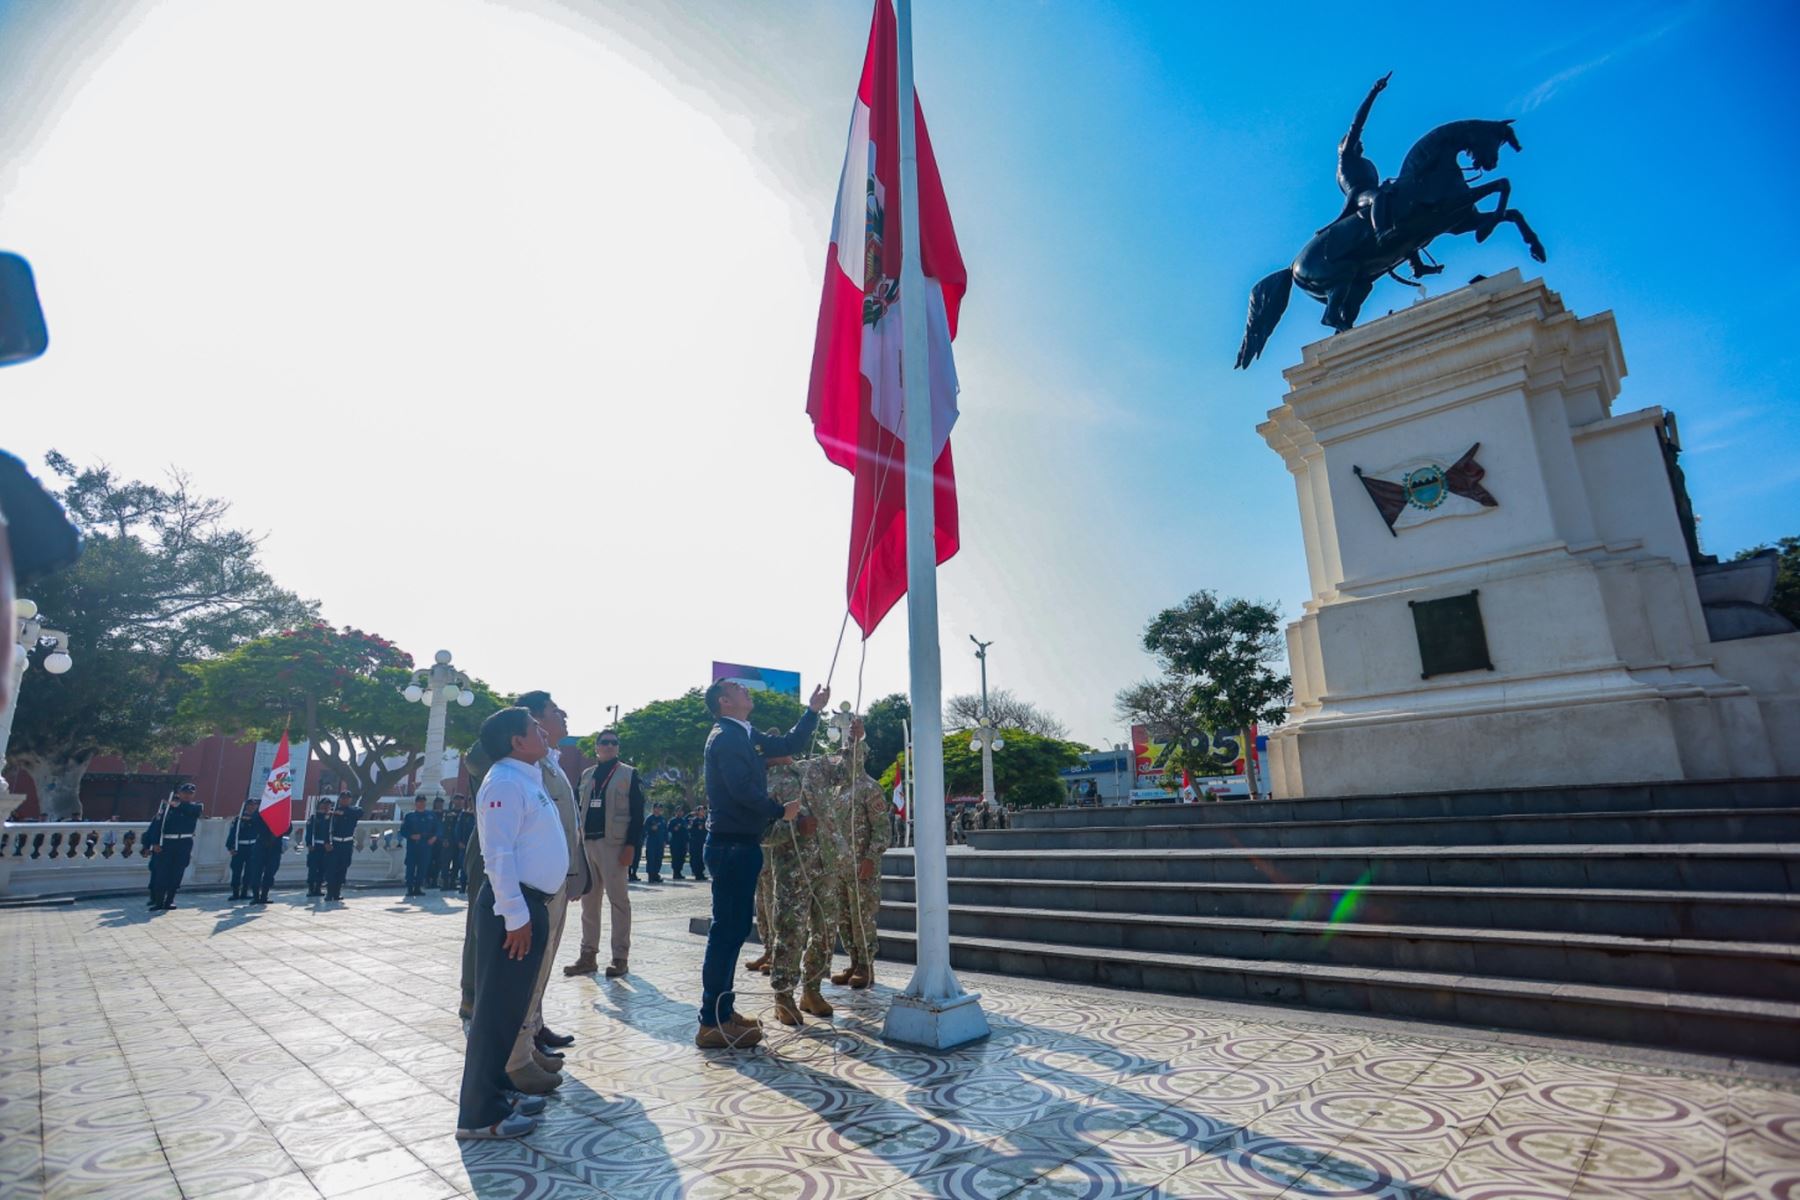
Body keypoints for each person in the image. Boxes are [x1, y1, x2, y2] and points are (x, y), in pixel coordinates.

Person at [694, 678, 826, 1049]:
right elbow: (742, 790)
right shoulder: (726, 737)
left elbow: (788, 745)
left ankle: (722, 1011)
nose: (745, 690)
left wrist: (812, 711)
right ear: (724, 701)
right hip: (731, 846)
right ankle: (712, 1021)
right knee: (726, 934)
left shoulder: (743, 733)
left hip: (740, 845)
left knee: (733, 932)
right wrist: (779, 811)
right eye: (738, 688)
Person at [455, 706, 568, 1141]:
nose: (544, 733)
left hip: (530, 904)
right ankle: (479, 1114)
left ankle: (502, 1091)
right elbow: (497, 855)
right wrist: (516, 916)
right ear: (517, 742)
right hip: (513, 909)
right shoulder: (503, 781)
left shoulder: (526, 776)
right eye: (535, 728)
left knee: (511, 1009)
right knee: (495, 1013)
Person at [503, 691, 585, 1088]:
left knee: (544, 961)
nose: (561, 715)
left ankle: (532, 1032)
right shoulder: (515, 773)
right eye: (552, 712)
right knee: (529, 967)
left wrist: (575, 872)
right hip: (533, 888)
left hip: (555, 882)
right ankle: (518, 1055)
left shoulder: (548, 763)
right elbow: (500, 848)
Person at [564, 728, 643, 980]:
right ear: (596, 747)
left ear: (618, 747)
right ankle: (588, 955)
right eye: (605, 742)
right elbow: (577, 810)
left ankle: (620, 957)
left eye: (614, 743)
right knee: (589, 903)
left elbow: (638, 814)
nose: (609, 746)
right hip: (588, 844)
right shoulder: (587, 775)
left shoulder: (628, 774)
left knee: (619, 901)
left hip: (614, 846)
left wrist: (631, 846)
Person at [830, 739, 891, 991]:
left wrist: (871, 858)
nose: (845, 759)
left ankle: (866, 965)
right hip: (840, 866)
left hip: (862, 865)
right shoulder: (838, 790)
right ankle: (854, 962)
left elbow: (882, 829)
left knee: (861, 917)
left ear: (862, 757)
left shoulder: (870, 788)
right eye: (843, 755)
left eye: (850, 754)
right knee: (844, 917)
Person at [143, 783, 203, 910]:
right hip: (167, 843)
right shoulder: (167, 809)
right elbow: (157, 826)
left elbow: (193, 811)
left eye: (190, 793)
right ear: (179, 793)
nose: (187, 795)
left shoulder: (196, 807)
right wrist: (154, 843)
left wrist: (178, 805)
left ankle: (169, 900)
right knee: (161, 873)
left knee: (177, 872)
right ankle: (158, 901)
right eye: (184, 793)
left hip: (184, 843)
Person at [324, 792, 362, 902]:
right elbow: (326, 829)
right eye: (343, 798)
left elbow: (360, 812)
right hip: (335, 843)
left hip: (347, 843)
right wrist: (326, 842)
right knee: (331, 869)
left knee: (343, 867)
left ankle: (337, 893)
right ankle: (329, 893)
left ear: (350, 800)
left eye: (347, 798)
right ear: (339, 799)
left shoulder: (353, 811)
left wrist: (343, 812)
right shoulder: (333, 813)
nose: (345, 800)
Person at [401, 795, 439, 897]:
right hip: (413, 846)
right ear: (416, 803)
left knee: (423, 868)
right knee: (410, 867)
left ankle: (418, 888)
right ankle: (410, 888)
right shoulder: (410, 816)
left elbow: (438, 829)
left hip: (426, 846)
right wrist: (411, 835)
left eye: (423, 802)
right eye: (419, 801)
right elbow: (403, 830)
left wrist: (434, 837)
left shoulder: (431, 816)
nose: (421, 804)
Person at [226, 799, 261, 900]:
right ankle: (235, 892)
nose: (252, 807)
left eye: (254, 805)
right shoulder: (238, 819)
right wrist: (230, 847)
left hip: (252, 847)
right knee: (236, 870)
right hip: (240, 847)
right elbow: (233, 833)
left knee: (250, 871)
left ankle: (245, 892)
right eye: (250, 805)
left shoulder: (258, 819)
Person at [248, 808, 285, 905]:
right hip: (261, 845)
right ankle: (255, 896)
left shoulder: (282, 810)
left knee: (271, 872)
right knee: (256, 871)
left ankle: (264, 895)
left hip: (275, 846)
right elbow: (255, 823)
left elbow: (288, 829)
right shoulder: (261, 810)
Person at [303, 797, 334, 897]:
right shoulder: (314, 818)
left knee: (323, 868)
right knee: (312, 868)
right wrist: (309, 844)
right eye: (324, 804)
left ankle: (318, 888)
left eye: (328, 805)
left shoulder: (331, 818)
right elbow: (309, 832)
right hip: (315, 846)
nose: (326, 807)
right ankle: (311, 888)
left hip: (326, 847)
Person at [445, 795, 473, 893]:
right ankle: (462, 886)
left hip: (475, 845)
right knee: (463, 866)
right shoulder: (464, 815)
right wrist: (459, 841)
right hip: (463, 845)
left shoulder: (479, 814)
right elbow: (458, 830)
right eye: (470, 801)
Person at [428, 795, 451, 888]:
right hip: (431, 841)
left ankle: (435, 880)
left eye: (441, 803)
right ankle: (428, 880)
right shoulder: (430, 814)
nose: (439, 805)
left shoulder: (446, 814)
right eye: (438, 803)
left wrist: (446, 839)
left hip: (441, 842)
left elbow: (447, 828)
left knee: (439, 862)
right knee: (429, 862)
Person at [643, 805, 667, 884]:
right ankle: (651, 876)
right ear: (653, 809)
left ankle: (656, 875)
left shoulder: (662, 819)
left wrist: (665, 841)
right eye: (657, 808)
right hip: (652, 842)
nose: (658, 809)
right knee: (651, 859)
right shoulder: (649, 818)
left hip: (660, 842)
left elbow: (665, 831)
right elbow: (644, 829)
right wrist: (651, 828)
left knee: (659, 859)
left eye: (660, 808)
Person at [687, 804, 708, 881]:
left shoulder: (706, 820)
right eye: (701, 810)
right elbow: (689, 830)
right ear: (698, 811)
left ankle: (701, 873)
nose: (703, 811)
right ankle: (697, 873)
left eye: (704, 810)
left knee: (702, 858)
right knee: (696, 858)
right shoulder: (694, 820)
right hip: (696, 842)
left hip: (703, 842)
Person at [668, 807, 689, 880]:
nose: (680, 813)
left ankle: (679, 872)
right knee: (675, 858)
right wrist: (674, 829)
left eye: (681, 811)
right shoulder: (672, 821)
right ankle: (675, 873)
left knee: (682, 858)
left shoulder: (684, 821)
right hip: (675, 843)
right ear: (675, 812)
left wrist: (687, 843)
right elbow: (669, 830)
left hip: (683, 843)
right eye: (678, 811)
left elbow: (686, 832)